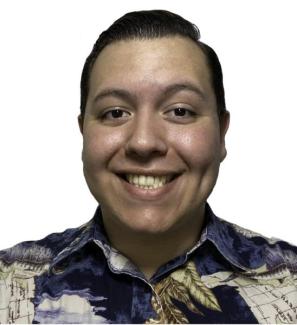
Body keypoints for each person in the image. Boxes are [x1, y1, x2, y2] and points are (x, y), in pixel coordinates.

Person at [0, 9, 296, 324]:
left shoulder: (289, 285)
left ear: (222, 133)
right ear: (83, 132)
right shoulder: (9, 287)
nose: (143, 142)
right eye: (115, 113)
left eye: (180, 111)